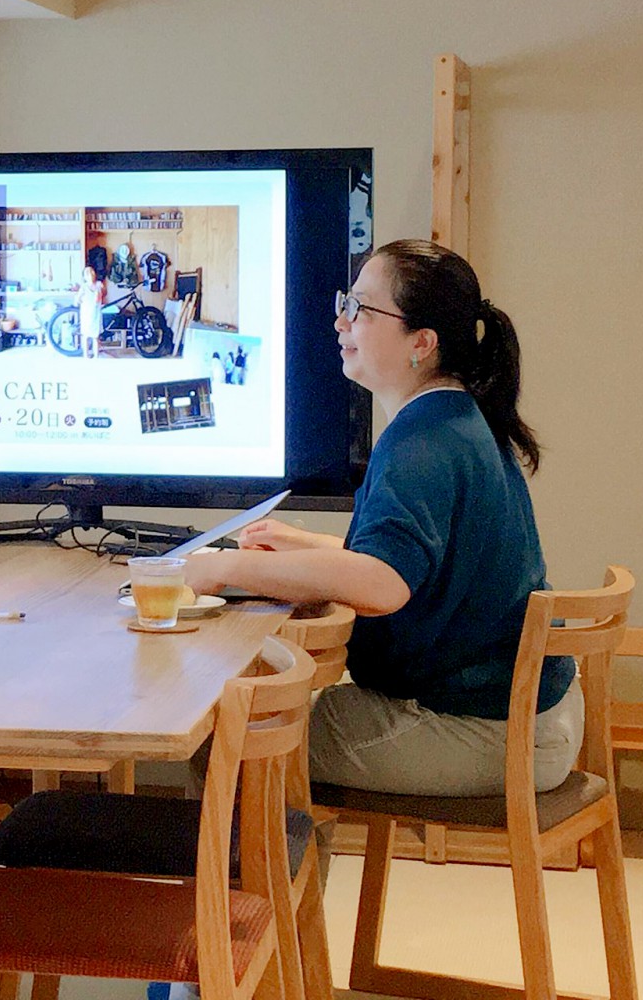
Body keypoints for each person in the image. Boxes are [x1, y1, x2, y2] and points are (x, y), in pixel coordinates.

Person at [182, 239, 582, 797]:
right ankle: (285, 881)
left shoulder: (423, 442)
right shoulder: (455, 416)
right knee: (254, 720)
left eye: (361, 309)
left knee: (221, 736)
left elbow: (384, 584)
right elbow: (416, 565)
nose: (341, 321)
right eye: (346, 301)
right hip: (528, 716)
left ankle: (267, 886)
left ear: (422, 342)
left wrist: (222, 570)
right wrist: (303, 543)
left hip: (488, 732)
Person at [77, 265, 105, 358]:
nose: (90, 275)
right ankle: (86, 355)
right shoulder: (84, 287)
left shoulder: (99, 284)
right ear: (84, 276)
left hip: (96, 313)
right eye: (87, 273)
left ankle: (96, 356)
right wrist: (80, 300)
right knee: (85, 335)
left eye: (92, 272)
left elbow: (104, 294)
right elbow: (77, 299)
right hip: (86, 312)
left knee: (95, 336)